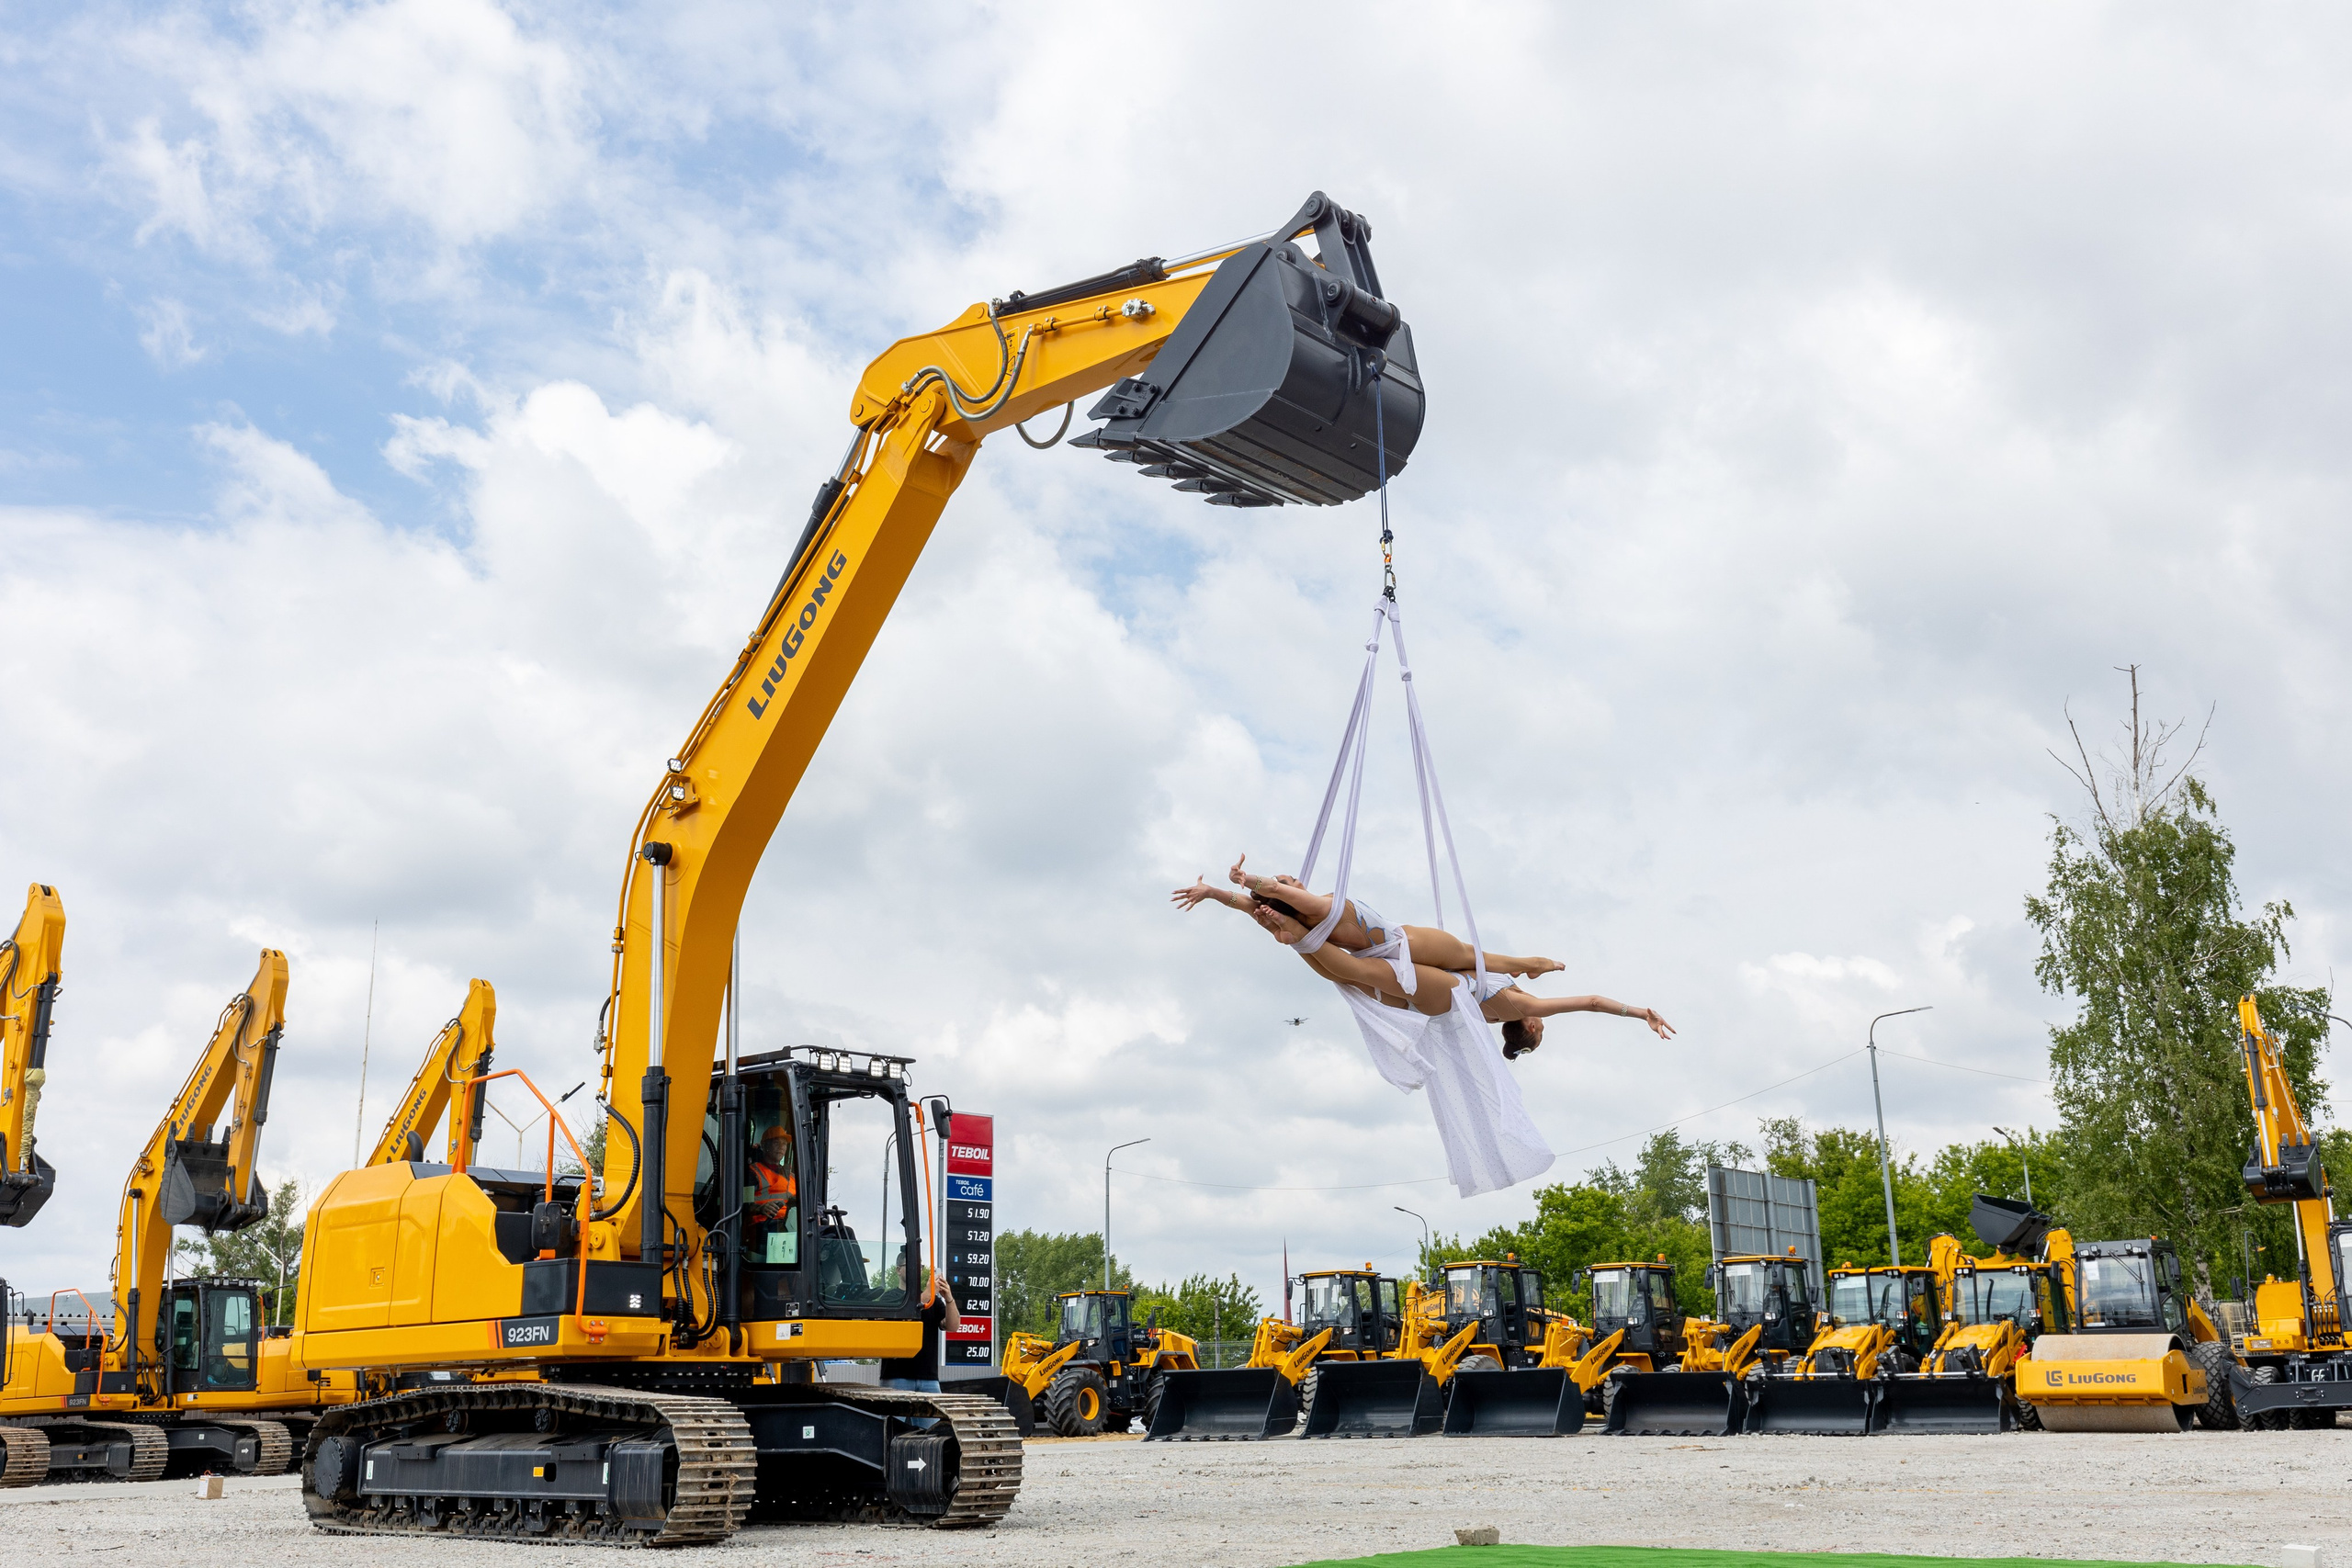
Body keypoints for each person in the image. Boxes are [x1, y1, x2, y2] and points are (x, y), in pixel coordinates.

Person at [879, 1273, 964, 1394]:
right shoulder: (890, 1298)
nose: (916, 1268)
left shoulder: (933, 1301)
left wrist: (949, 1299)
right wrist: (929, 1293)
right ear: (898, 1270)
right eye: (909, 1263)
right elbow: (907, 1311)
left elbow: (953, 1326)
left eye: (920, 1265)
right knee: (895, 1414)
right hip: (896, 1376)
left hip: (929, 1378)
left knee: (935, 1413)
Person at [749, 1124, 797, 1221]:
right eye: (776, 1143)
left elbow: (812, 1201)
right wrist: (759, 1208)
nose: (781, 1147)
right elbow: (739, 1204)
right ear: (764, 1145)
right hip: (762, 1228)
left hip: (790, 1227)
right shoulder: (753, 1173)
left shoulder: (792, 1177)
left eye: (784, 1144)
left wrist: (818, 1213)